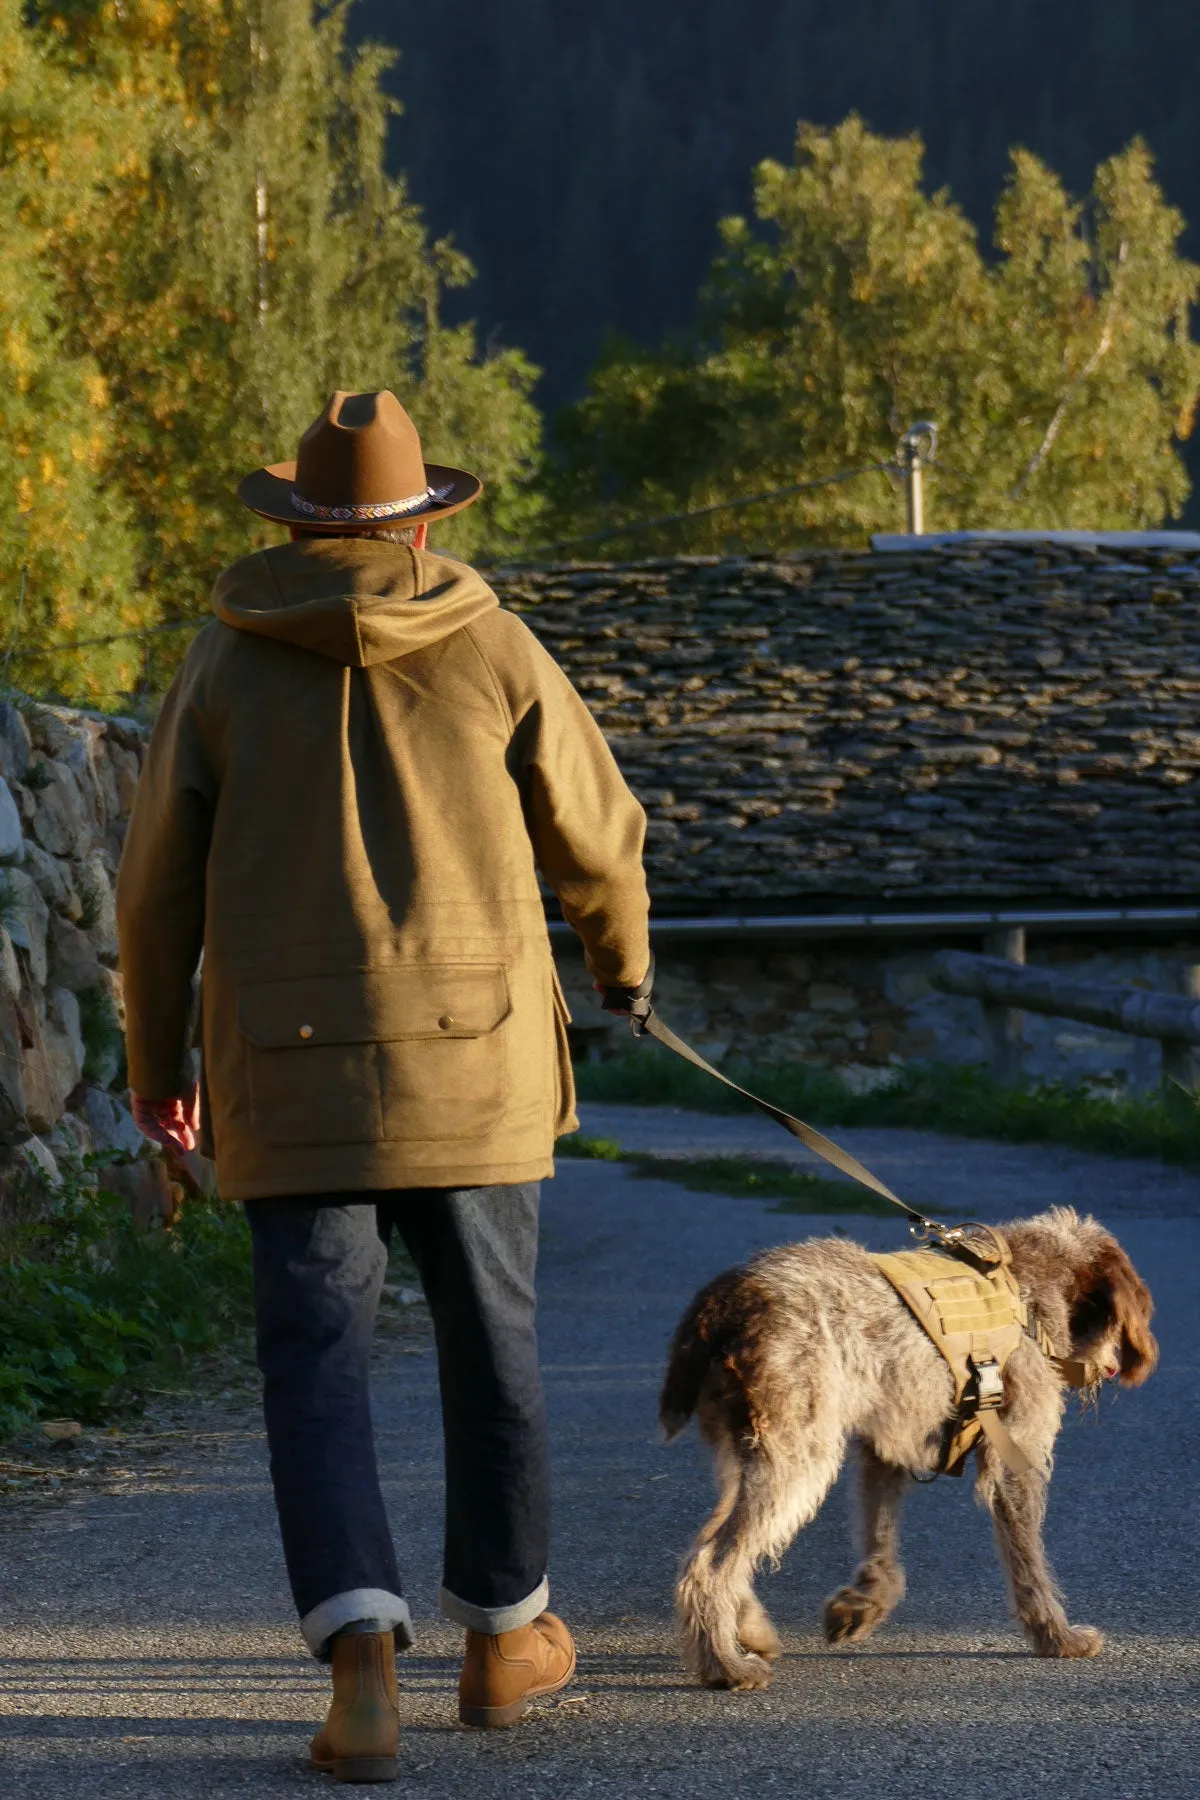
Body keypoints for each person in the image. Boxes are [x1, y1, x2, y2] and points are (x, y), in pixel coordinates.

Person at [116, 390, 652, 1782]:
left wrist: (153, 1064)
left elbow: (153, 890)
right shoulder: (491, 644)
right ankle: (505, 1639)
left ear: (297, 520)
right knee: (496, 1344)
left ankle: (362, 1659)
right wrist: (621, 966)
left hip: (289, 1074)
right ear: (422, 517)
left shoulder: (223, 667)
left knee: (316, 1362)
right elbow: (596, 827)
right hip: (476, 1059)